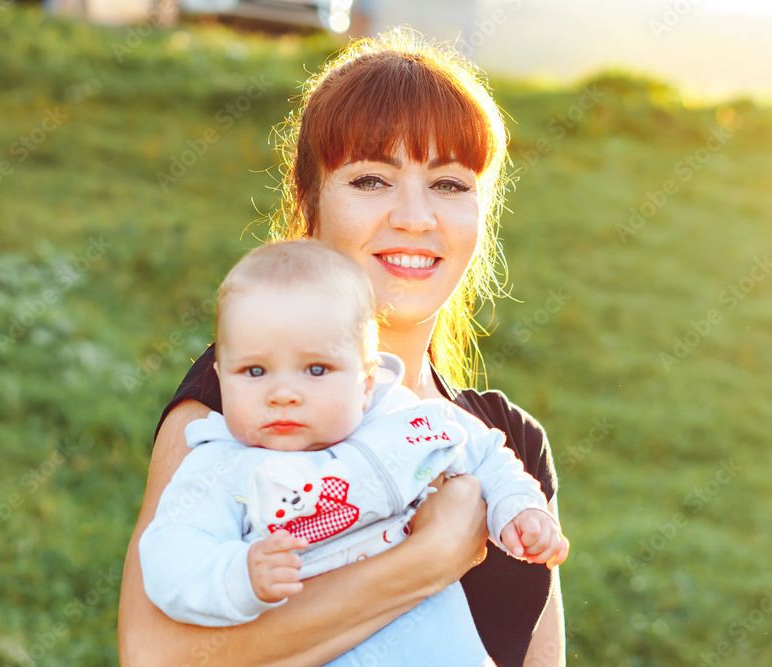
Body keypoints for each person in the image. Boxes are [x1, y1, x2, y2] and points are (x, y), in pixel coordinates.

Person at [119, 28, 565, 667]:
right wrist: (430, 558)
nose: (415, 216)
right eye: (372, 180)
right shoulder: (250, 402)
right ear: (311, 203)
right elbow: (154, 655)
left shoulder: (509, 442)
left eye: (449, 184)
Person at [138, 241, 567, 663]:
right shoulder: (219, 467)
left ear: (366, 382)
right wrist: (238, 575)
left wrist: (518, 507)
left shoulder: (403, 422)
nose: (283, 393)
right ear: (220, 375)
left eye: (316, 369)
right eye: (254, 370)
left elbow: (486, 451)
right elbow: (171, 553)